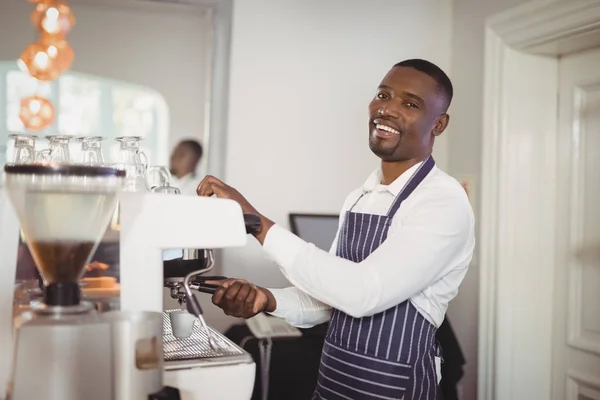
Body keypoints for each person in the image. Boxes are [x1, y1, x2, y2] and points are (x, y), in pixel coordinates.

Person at [197, 59, 475, 400]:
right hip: (334, 385)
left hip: (392, 390)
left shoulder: (443, 202)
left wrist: (256, 223)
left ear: (440, 124)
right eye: (383, 95)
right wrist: (265, 299)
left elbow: (363, 293)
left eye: (410, 103)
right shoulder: (359, 198)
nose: (387, 109)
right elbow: (331, 302)